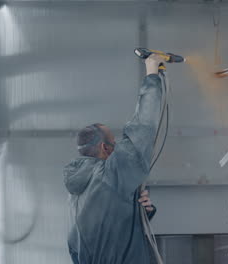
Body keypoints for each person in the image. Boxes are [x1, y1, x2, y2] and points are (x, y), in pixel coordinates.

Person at [63, 54, 166, 264]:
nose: (118, 146)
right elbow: (143, 128)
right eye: (114, 142)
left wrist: (139, 211)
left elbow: (108, 231)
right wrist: (152, 73)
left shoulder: (77, 193)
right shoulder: (108, 175)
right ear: (104, 147)